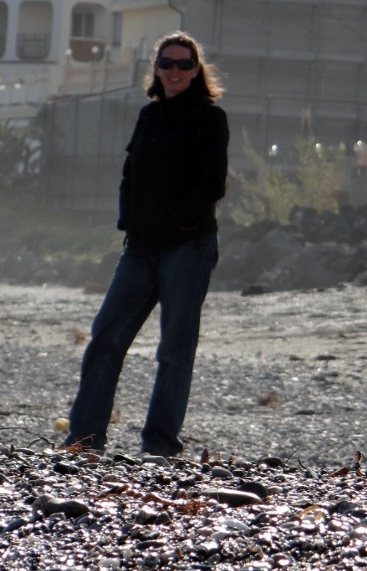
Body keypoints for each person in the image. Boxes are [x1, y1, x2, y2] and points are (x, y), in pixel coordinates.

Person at [64, 31, 229, 457]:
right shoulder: (148, 116)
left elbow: (212, 185)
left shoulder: (210, 119)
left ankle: (159, 443)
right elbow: (130, 174)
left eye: (183, 64)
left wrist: (172, 220)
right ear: (155, 68)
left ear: (196, 71)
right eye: (167, 63)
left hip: (187, 247)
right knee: (105, 338)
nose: (175, 71)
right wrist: (129, 220)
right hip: (139, 248)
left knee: (174, 349)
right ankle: (84, 439)